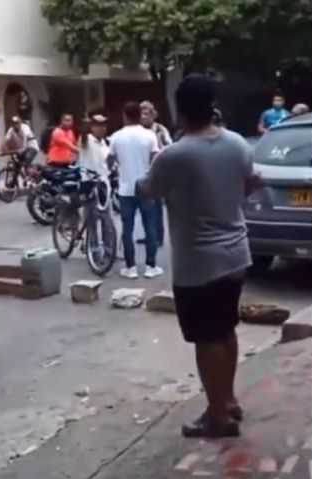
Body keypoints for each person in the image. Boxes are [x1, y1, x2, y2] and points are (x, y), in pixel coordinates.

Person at [137, 75, 260, 438]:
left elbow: (146, 190)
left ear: (180, 109)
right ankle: (229, 399)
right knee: (225, 329)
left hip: (198, 264)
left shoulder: (175, 154)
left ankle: (217, 415)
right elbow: (252, 182)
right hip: (236, 254)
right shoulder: (237, 143)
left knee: (207, 340)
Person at [108, 102, 162, 280]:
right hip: (146, 187)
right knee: (150, 227)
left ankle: (130, 267)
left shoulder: (116, 137)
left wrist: (118, 166)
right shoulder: (149, 136)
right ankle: (150, 266)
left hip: (126, 189)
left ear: (124, 115)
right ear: (139, 115)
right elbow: (156, 159)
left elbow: (109, 160)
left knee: (127, 228)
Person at [140, 101, 172, 248]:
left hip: (157, 171)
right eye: (142, 113)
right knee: (145, 206)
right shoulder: (138, 130)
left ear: (153, 115)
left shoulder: (160, 130)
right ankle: (149, 235)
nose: (144, 117)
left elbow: (169, 146)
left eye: (147, 113)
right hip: (141, 170)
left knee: (156, 206)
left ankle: (158, 237)